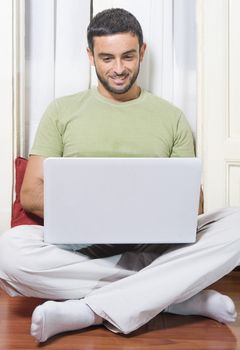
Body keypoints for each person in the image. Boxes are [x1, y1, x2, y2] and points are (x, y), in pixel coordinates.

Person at [0, 8, 240, 343]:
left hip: (156, 244)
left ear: (142, 52)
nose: (118, 68)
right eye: (107, 58)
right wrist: (96, 211)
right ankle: (175, 295)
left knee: (236, 222)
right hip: (81, 245)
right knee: (10, 251)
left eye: (128, 56)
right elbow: (31, 194)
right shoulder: (62, 111)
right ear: (90, 56)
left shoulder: (171, 117)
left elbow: (193, 205)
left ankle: (89, 309)